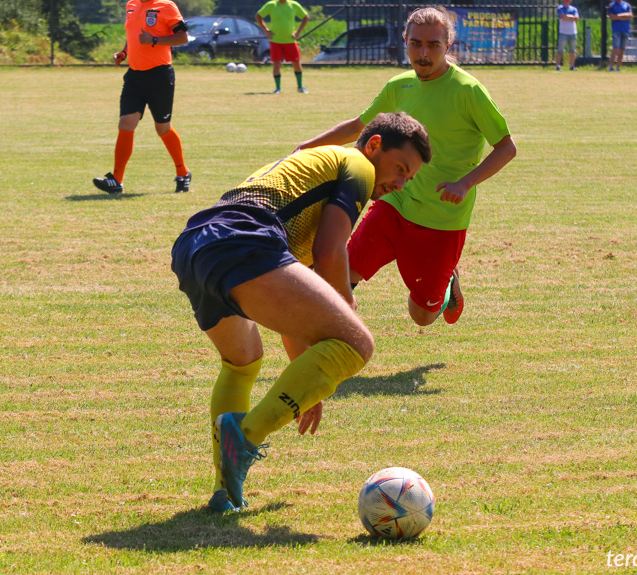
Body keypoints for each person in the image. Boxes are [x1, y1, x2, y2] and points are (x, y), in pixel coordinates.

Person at [171, 113, 432, 511]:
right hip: (244, 239)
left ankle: (225, 491)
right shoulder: (358, 164)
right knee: (357, 342)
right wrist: (347, 307)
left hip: (197, 244)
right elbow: (332, 251)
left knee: (242, 363)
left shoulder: (313, 175)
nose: (399, 183)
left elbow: (290, 309)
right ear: (375, 145)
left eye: (408, 178)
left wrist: (305, 385)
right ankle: (247, 436)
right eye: (400, 169)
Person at [294, 6, 516, 328]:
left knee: (422, 316)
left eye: (433, 45)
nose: (423, 54)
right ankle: (326, 341)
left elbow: (506, 147)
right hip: (395, 203)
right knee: (341, 273)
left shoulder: (469, 92)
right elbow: (359, 125)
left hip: (442, 217)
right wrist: (306, 147)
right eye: (415, 44)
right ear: (405, 41)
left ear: (448, 47)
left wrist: (464, 183)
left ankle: (448, 282)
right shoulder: (399, 86)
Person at [93, 0, 192, 195]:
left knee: (162, 128)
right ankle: (116, 180)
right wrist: (124, 52)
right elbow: (133, 36)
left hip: (159, 75)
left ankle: (183, 172)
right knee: (126, 123)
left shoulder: (166, 6)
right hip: (134, 75)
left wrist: (155, 40)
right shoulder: (131, 4)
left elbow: (182, 38)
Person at [255, 0, 310, 94]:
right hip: (275, 40)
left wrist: (298, 32)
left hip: (290, 40)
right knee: (276, 64)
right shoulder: (271, 5)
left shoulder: (294, 5)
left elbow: (306, 17)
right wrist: (266, 30)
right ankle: (278, 88)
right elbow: (258, 16)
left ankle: (300, 86)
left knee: (296, 63)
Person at [608, 0, 633, 71]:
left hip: (625, 30)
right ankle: (611, 66)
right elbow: (612, 17)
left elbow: (630, 15)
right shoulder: (612, 5)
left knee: (622, 49)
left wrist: (618, 16)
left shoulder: (627, 5)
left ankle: (618, 67)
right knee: (615, 48)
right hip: (616, 30)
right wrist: (623, 16)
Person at [556, 0, 580, 71]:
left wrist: (568, 17)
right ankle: (558, 65)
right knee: (560, 50)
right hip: (563, 32)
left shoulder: (574, 9)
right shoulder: (560, 8)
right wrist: (571, 17)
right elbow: (563, 17)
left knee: (572, 50)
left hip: (572, 32)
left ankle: (572, 66)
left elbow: (577, 18)